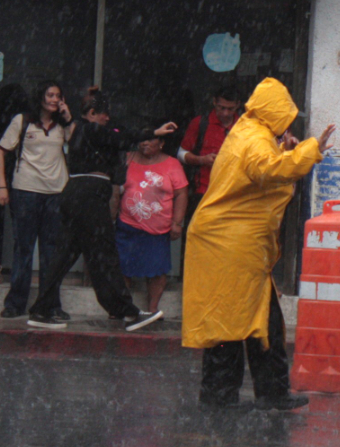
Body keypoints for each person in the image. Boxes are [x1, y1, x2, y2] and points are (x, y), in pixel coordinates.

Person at [184, 77, 335, 411]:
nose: (288, 124)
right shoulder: (253, 138)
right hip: (228, 244)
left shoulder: (249, 132)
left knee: (259, 321)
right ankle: (227, 397)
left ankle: (262, 393)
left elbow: (259, 170)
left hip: (232, 242)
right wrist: (310, 150)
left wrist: (286, 149)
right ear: (274, 113)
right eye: (285, 117)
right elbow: (267, 170)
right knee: (231, 321)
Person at [26, 89, 177, 330]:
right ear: (92, 113)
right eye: (103, 113)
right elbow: (122, 138)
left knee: (64, 255)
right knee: (103, 255)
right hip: (89, 195)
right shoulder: (91, 130)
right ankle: (127, 312)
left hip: (76, 194)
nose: (107, 118)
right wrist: (154, 133)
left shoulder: (82, 133)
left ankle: (41, 309)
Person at [0, 82, 72, 318]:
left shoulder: (63, 125)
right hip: (25, 190)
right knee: (23, 249)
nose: (54, 99)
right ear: (40, 97)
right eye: (50, 95)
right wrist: (2, 186)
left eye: (58, 95)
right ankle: (15, 304)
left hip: (56, 193)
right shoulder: (22, 120)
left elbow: (77, 146)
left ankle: (51, 305)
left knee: (51, 252)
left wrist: (68, 117)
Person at [118, 131, 188, 314]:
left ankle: (152, 309)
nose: (145, 143)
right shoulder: (128, 158)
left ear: (161, 142)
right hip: (128, 224)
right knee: (123, 266)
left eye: (150, 139)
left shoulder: (172, 164)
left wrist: (177, 223)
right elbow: (116, 187)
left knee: (157, 269)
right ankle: (124, 308)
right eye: (142, 139)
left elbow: (181, 194)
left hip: (158, 228)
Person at [178, 86, 240, 221]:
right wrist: (202, 160)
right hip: (202, 192)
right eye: (221, 108)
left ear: (237, 105)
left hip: (234, 194)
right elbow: (181, 154)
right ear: (214, 102)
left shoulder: (245, 126)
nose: (225, 113)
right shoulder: (200, 123)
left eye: (230, 109)